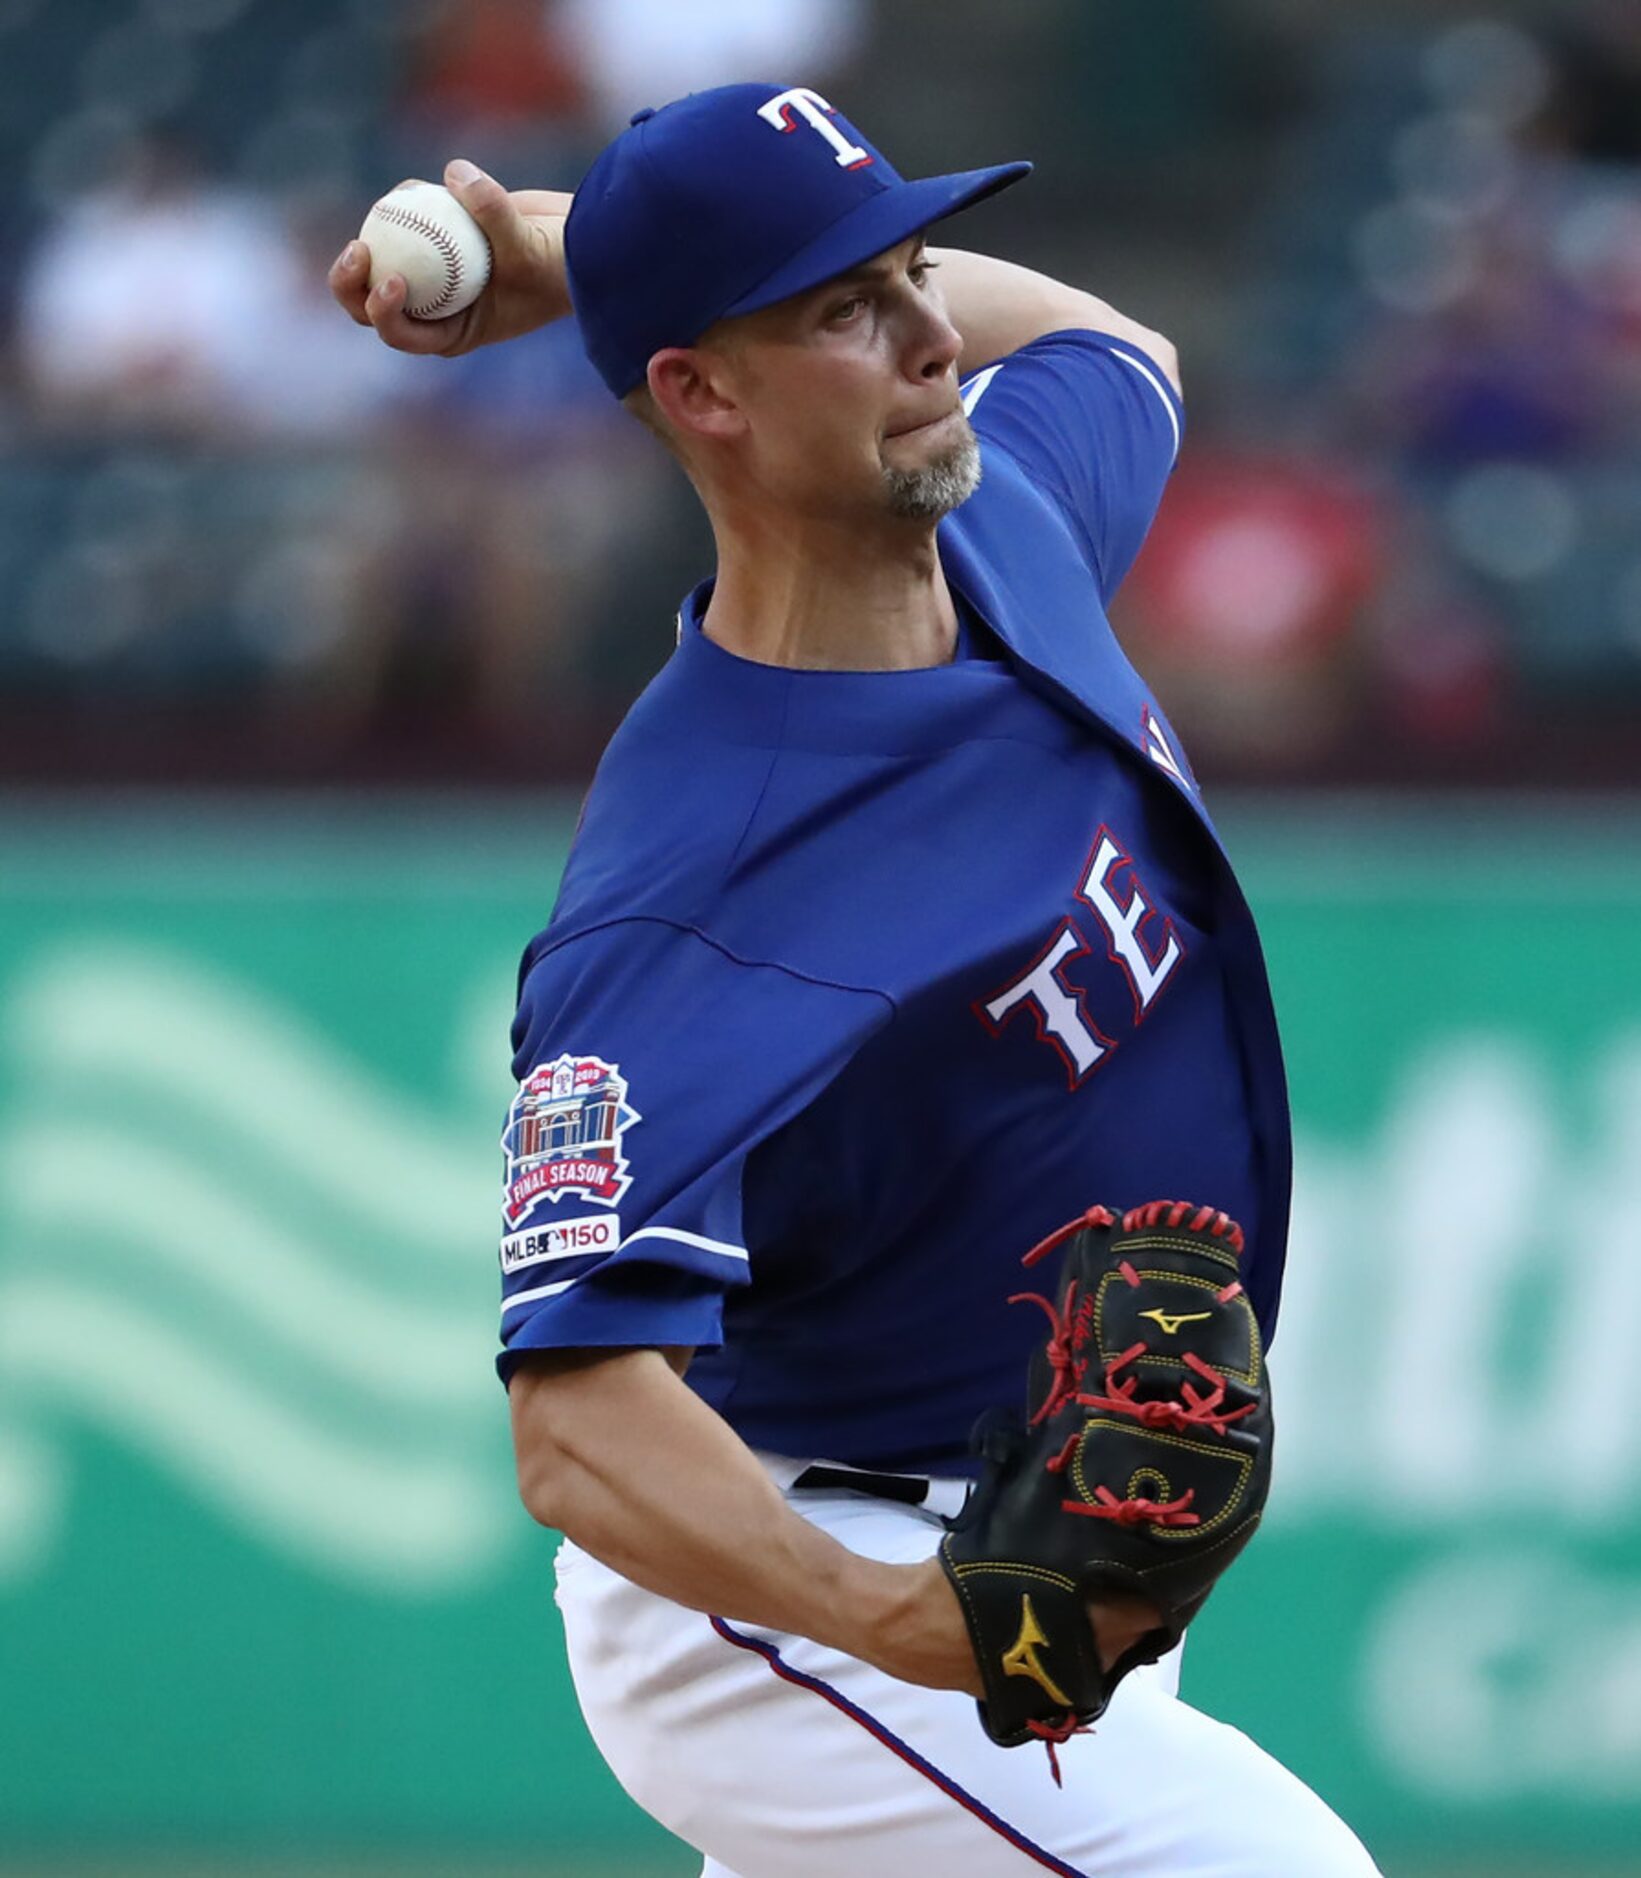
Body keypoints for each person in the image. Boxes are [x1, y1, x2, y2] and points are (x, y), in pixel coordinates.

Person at [332, 82, 1381, 1877]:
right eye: (844, 307)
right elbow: (579, 1425)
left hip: (993, 1538)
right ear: (702, 393)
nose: (926, 340)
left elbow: (1108, 337)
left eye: (911, 272)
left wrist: (572, 246)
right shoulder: (701, 890)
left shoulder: (1002, 529)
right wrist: (900, 1628)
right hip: (802, 1611)